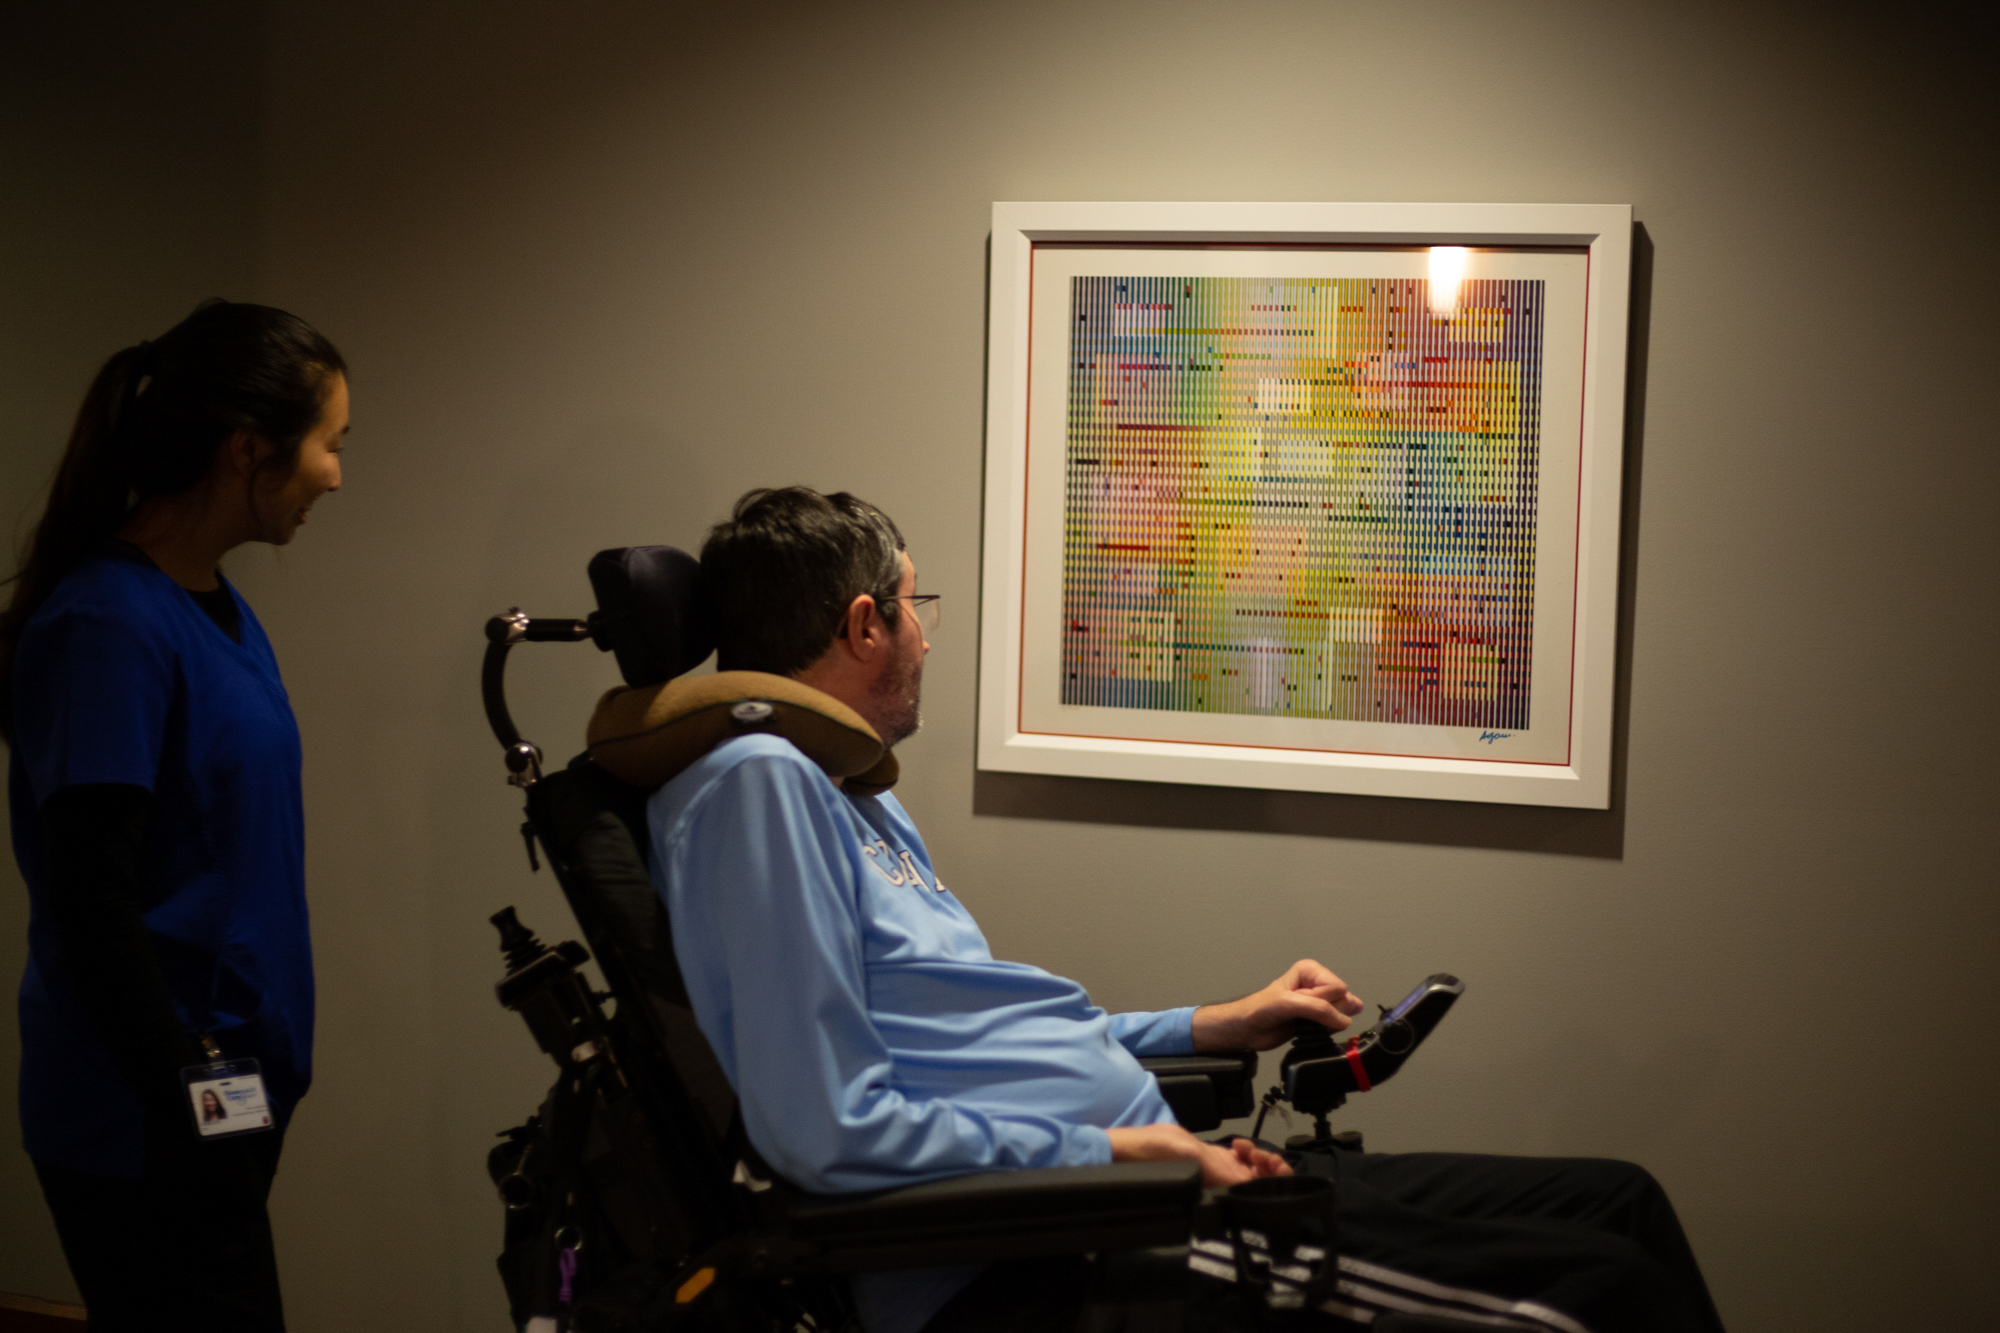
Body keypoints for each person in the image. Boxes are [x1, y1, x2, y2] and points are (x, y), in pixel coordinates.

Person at [647, 487, 1725, 1333]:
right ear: (864, 621)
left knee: (1615, 1202)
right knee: (1602, 1294)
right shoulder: (759, 785)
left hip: (1131, 1193)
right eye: (917, 608)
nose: (929, 638)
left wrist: (1213, 1022)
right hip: (1045, 1262)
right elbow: (825, 1132)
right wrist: (1129, 1158)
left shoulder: (849, 792)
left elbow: (981, 1037)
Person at [2, 301, 349, 1332]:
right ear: (250, 449)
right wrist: (188, 1096)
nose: (336, 473)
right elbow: (90, 900)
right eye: (330, 443)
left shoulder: (220, 606)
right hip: (145, 1117)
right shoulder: (107, 621)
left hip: (229, 1097)